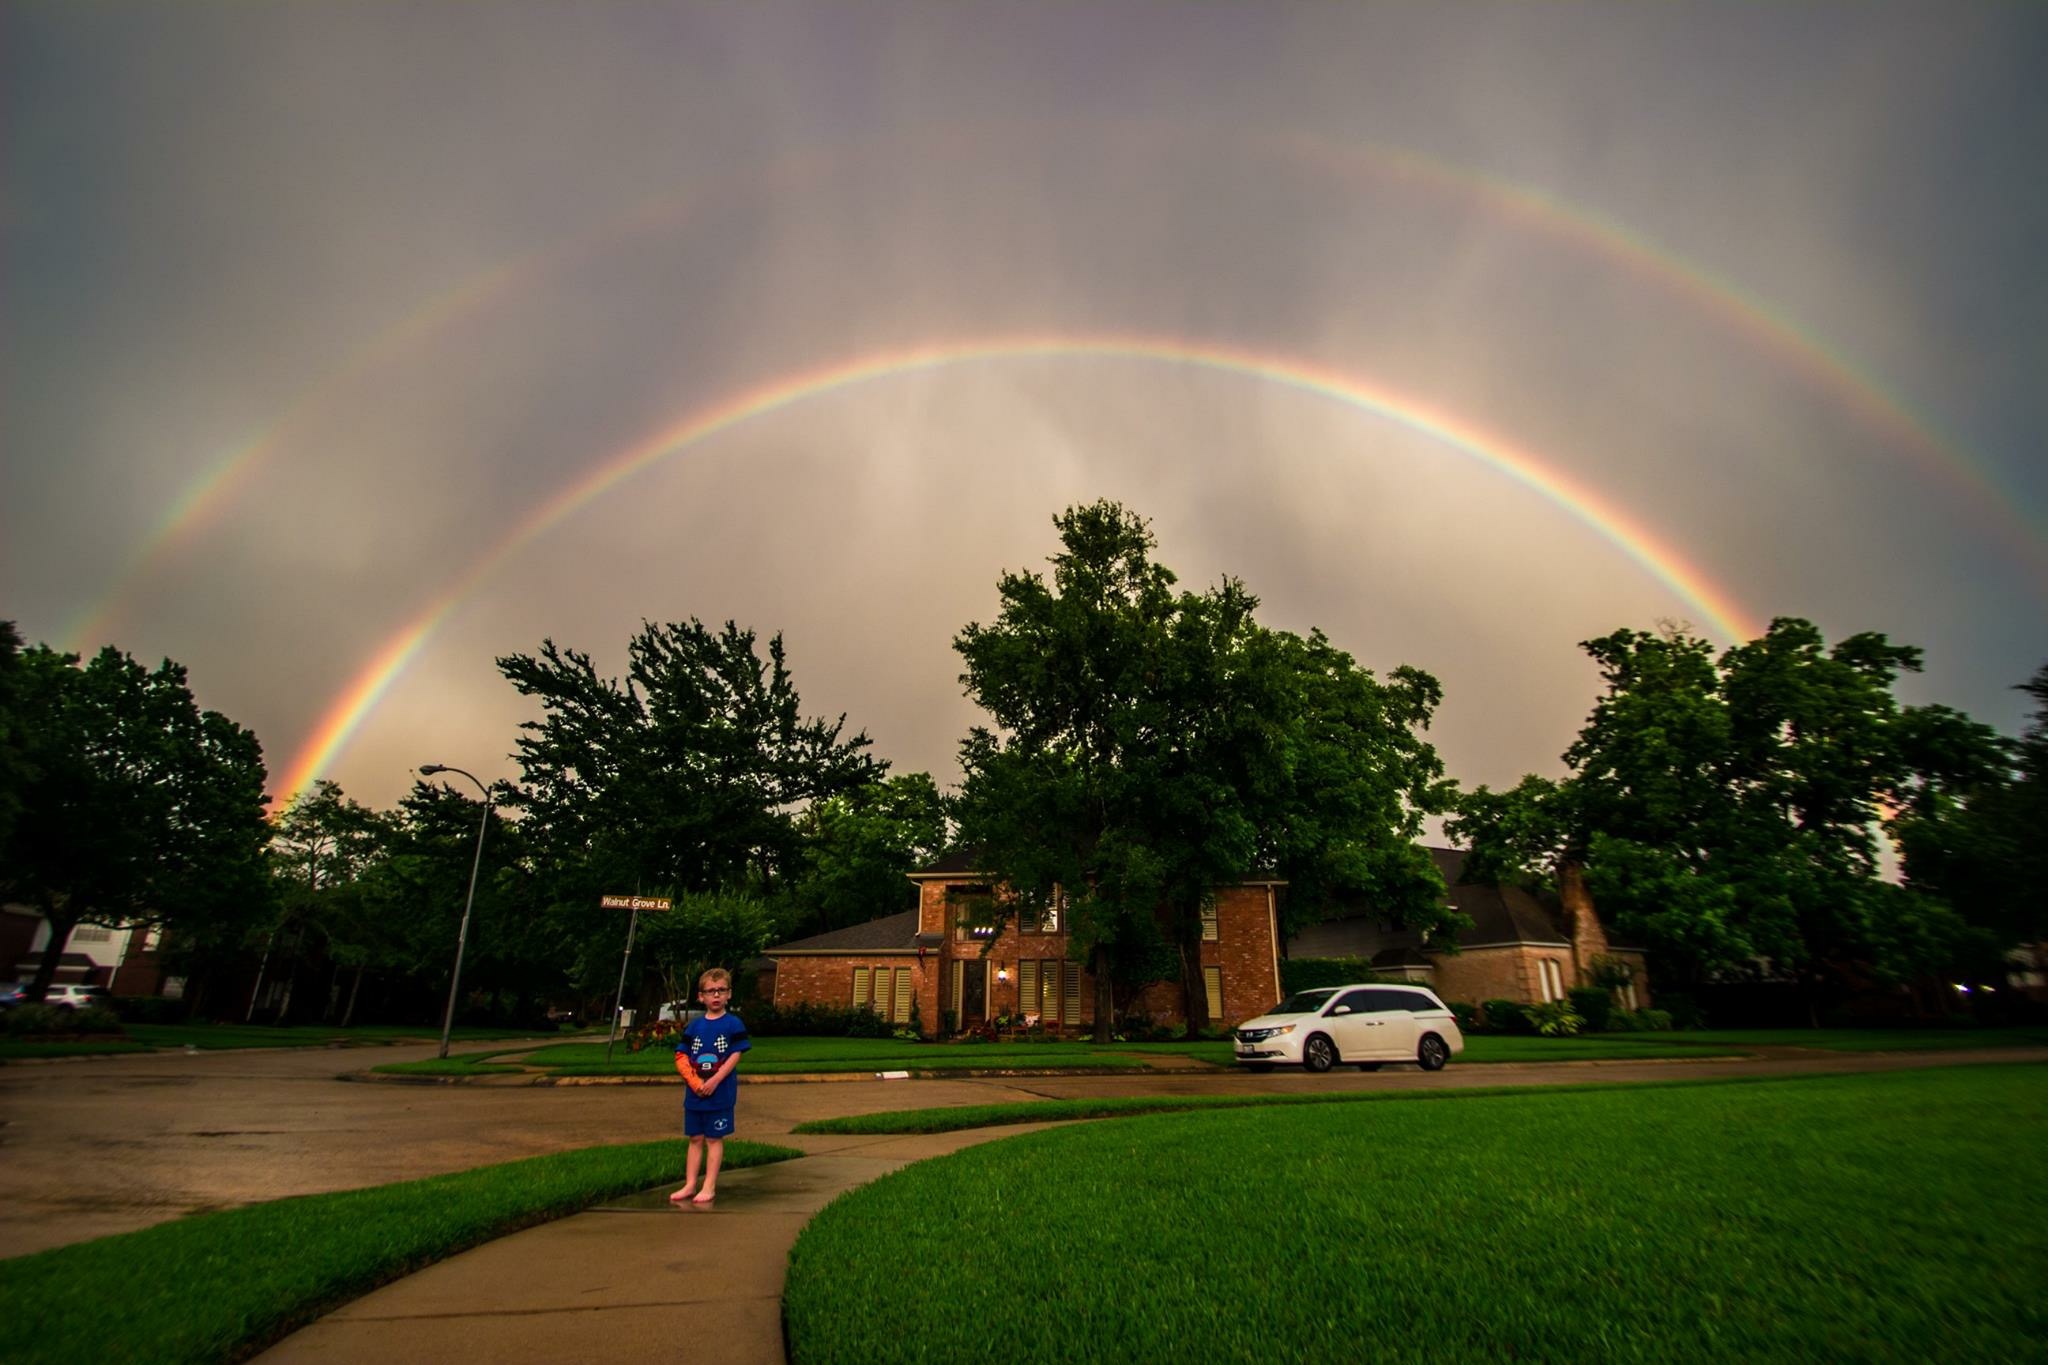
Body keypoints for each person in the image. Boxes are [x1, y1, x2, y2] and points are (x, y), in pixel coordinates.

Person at [670, 966, 749, 1204]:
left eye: (721, 990)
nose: (716, 995)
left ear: (729, 994)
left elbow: (735, 1055)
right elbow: (682, 1055)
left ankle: (709, 1185)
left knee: (714, 1138)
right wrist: (695, 1082)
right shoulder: (694, 1027)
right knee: (695, 1138)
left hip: (720, 1093)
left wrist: (714, 1080)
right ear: (700, 996)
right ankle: (690, 1183)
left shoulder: (733, 1024)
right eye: (710, 991)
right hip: (695, 1094)